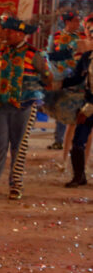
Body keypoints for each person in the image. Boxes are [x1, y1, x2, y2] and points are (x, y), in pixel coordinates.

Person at [0, 15, 53, 200]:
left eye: (9, 31)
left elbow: (48, 76)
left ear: (21, 34)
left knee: (19, 147)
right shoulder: (1, 52)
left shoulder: (35, 54)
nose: (5, 34)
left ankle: (16, 186)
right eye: (5, 30)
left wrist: (37, 92)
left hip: (25, 105)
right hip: (1, 104)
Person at [46, 11, 83, 150]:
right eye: (76, 21)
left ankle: (75, 140)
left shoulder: (81, 37)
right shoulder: (55, 37)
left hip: (76, 78)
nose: (78, 24)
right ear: (67, 22)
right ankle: (58, 140)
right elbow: (49, 55)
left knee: (76, 107)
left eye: (79, 21)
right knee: (61, 107)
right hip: (59, 77)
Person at [62, 26, 93, 187]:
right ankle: (79, 176)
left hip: (90, 105)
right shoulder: (87, 57)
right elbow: (75, 78)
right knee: (78, 140)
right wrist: (58, 83)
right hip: (88, 102)